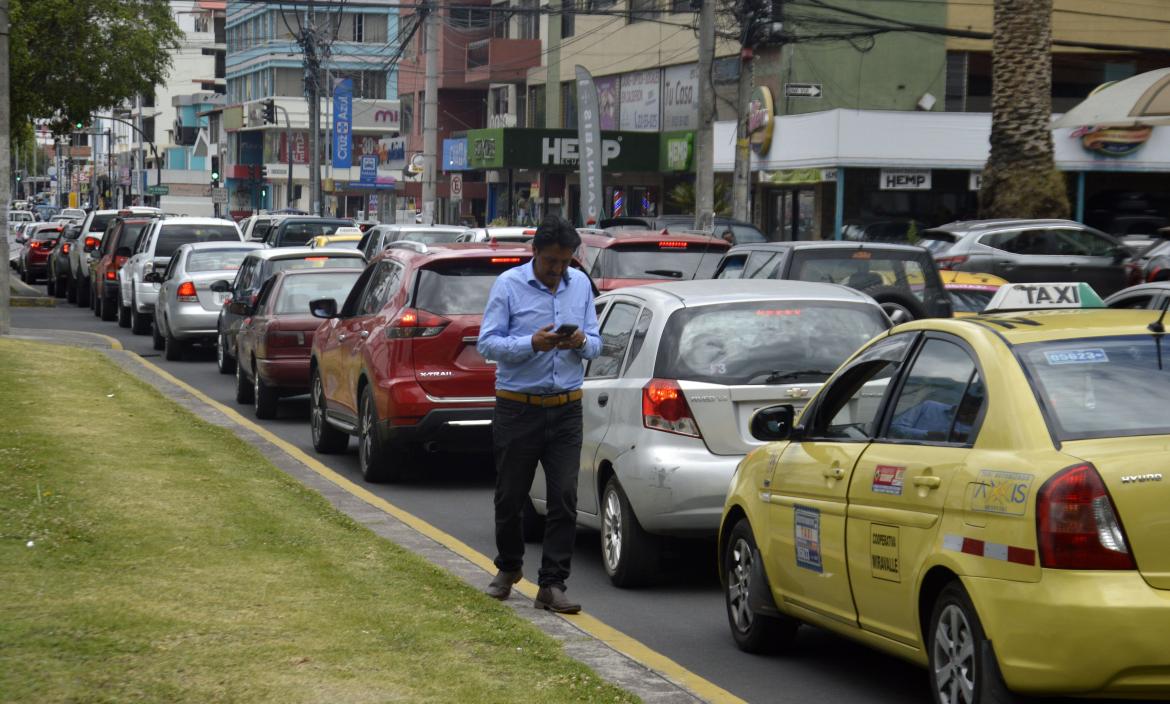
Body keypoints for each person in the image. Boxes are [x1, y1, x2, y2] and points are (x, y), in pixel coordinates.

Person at [477, 216, 601, 613]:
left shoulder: (580, 285)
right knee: (510, 496)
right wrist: (532, 343)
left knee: (564, 496)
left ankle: (552, 584)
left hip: (566, 407)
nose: (557, 269)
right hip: (518, 406)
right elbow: (488, 344)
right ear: (535, 253)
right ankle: (509, 568)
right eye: (551, 261)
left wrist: (580, 341)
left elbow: (597, 345)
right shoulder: (508, 285)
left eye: (565, 262)